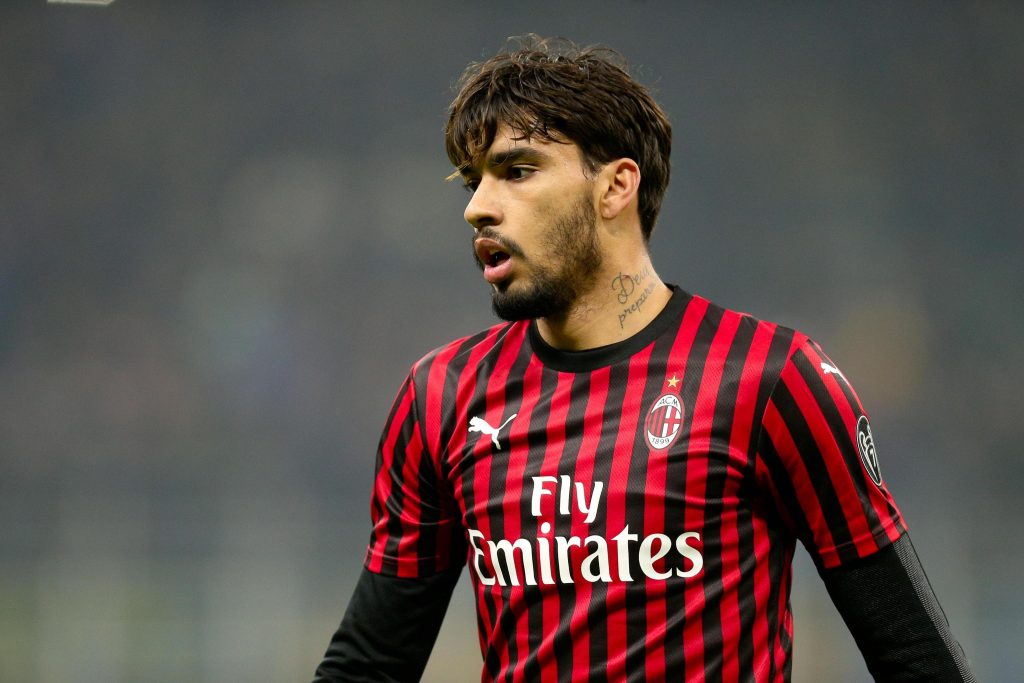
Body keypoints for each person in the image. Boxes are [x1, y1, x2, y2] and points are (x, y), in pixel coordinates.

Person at [314, 36, 974, 682]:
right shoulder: (444, 395)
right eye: (473, 180)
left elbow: (915, 659)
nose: (478, 207)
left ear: (615, 187)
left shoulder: (769, 377)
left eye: (516, 170)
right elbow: (368, 666)